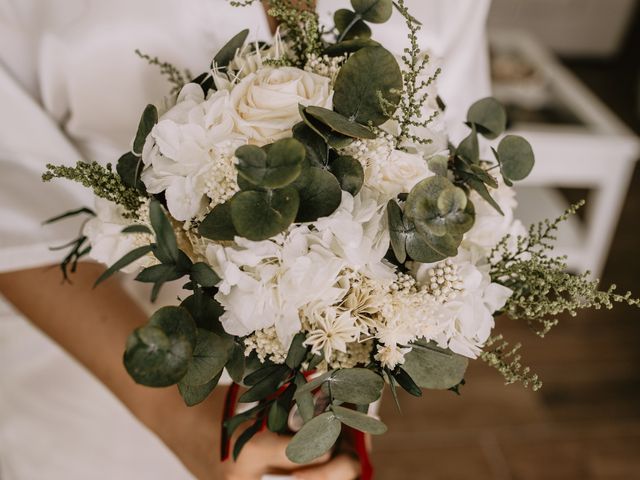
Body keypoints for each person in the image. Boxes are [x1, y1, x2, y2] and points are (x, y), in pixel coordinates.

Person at [0, 1, 493, 478]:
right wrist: (183, 423)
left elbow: (461, 177)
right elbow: (12, 191)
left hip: (323, 392)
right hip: (96, 383)